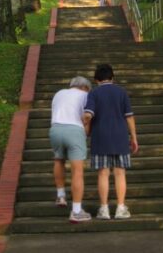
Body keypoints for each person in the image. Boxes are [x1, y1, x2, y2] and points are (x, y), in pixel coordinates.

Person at [83, 64, 139, 220]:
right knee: (120, 173)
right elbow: (129, 116)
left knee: (103, 173)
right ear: (113, 78)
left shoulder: (93, 93)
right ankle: (121, 208)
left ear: (96, 80)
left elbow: (88, 114)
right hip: (120, 137)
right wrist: (133, 137)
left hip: (100, 137)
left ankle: (104, 209)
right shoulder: (121, 92)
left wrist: (83, 126)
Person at [49, 76, 92, 223]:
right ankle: (76, 211)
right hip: (74, 129)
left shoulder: (59, 93)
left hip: (55, 129)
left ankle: (60, 195)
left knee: (59, 160)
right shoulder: (86, 95)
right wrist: (85, 134)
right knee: (77, 171)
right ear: (85, 87)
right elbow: (87, 118)